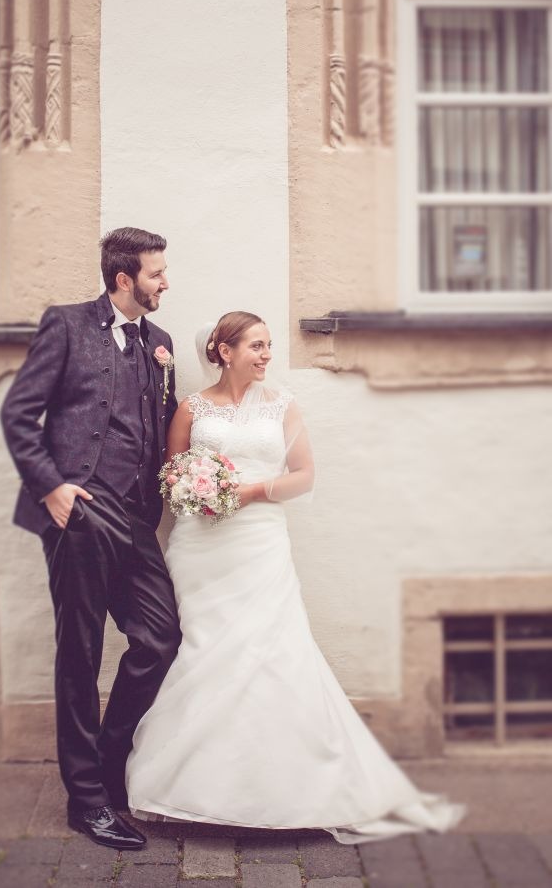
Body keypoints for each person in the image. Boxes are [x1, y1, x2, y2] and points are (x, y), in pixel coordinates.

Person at [125, 310, 464, 843]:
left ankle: (282, 783)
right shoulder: (190, 408)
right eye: (255, 346)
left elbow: (304, 475)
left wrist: (249, 491)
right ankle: (196, 786)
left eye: (268, 346)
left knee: (270, 649)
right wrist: (202, 491)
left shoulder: (283, 406)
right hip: (201, 548)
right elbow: (170, 479)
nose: (265, 355)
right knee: (205, 650)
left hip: (259, 541)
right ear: (224, 350)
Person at [0, 227, 182, 851]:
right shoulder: (67, 325)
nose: (166, 282)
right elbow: (19, 413)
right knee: (78, 654)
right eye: (157, 273)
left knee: (160, 639)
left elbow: (162, 424)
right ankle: (86, 802)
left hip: (134, 517)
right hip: (76, 511)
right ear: (123, 279)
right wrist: (52, 488)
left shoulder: (160, 344)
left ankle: (107, 765)